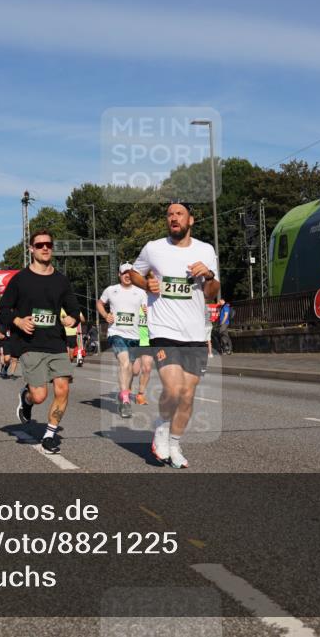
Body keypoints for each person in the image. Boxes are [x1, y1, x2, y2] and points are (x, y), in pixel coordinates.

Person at [130, 201, 219, 469]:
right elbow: (134, 273)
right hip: (163, 331)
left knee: (188, 396)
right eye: (170, 214)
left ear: (191, 220)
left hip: (194, 333)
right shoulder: (153, 248)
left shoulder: (206, 250)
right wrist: (146, 283)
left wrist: (210, 274)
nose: (174, 218)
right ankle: (161, 428)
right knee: (173, 388)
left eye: (179, 214)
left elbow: (211, 293)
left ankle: (175, 442)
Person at [0, 229, 82, 453]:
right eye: (40, 245)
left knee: (63, 389)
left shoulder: (61, 280)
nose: (45, 248)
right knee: (39, 395)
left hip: (55, 342)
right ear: (31, 249)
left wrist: (72, 318)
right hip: (30, 343)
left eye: (49, 245)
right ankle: (26, 399)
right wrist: (18, 321)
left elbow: (74, 308)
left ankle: (50, 434)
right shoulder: (20, 279)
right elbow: (3, 309)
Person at [97, 263, 148, 418]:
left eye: (130, 273)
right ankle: (125, 400)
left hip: (135, 336)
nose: (127, 275)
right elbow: (99, 303)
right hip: (116, 333)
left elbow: (149, 309)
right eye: (124, 273)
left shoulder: (140, 292)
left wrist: (147, 310)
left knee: (132, 370)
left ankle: (123, 393)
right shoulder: (111, 290)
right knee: (124, 363)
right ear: (119, 275)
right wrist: (106, 315)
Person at [130, 304, 154, 405]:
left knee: (147, 369)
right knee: (134, 371)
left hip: (148, 342)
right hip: (134, 341)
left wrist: (151, 314)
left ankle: (140, 395)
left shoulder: (154, 305)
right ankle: (127, 385)